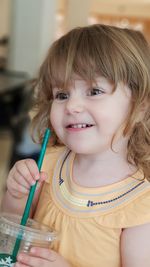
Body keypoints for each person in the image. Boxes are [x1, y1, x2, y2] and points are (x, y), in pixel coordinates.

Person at [1, 24, 150, 267]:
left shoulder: (140, 208)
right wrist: (16, 195)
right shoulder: (48, 164)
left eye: (94, 90)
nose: (72, 106)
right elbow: (16, 226)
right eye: (62, 95)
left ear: (140, 105)